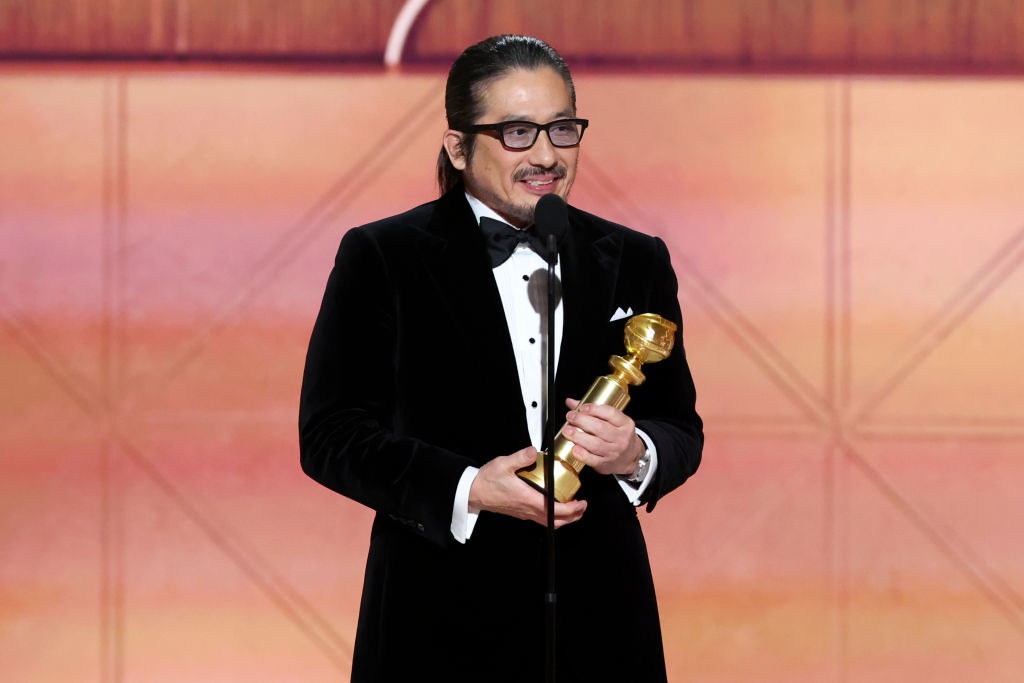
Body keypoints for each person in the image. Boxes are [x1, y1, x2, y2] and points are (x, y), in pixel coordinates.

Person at [299, 34, 703, 682]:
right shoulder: (383, 256)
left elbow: (681, 427)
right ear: (458, 146)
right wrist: (467, 487)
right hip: (435, 622)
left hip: (602, 625)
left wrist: (637, 452)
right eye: (518, 132)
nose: (547, 155)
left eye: (562, 129)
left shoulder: (635, 257)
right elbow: (331, 434)